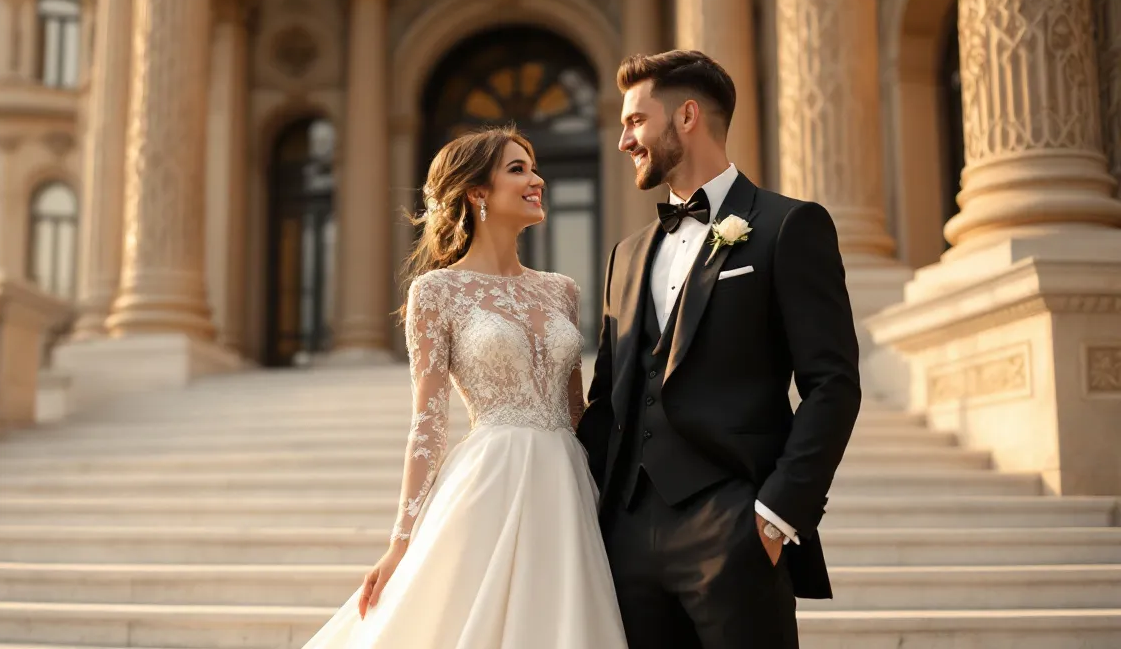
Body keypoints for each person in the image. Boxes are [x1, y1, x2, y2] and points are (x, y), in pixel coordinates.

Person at [577, 50, 862, 649]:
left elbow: (832, 382)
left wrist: (778, 512)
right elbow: (606, 401)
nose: (624, 139)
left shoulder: (789, 226)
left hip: (734, 527)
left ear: (685, 117)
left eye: (634, 121)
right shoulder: (624, 256)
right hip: (627, 537)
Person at [303, 126, 628, 648]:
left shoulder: (561, 290)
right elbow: (428, 426)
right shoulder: (437, 291)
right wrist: (400, 542)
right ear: (477, 191)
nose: (536, 180)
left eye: (534, 167)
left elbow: (576, 411)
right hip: (490, 479)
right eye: (517, 169)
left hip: (567, 483)